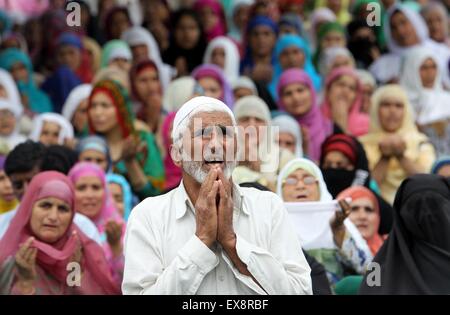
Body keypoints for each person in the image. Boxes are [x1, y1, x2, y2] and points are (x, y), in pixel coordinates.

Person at [122, 96, 312, 295]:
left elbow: (301, 291)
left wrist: (232, 242)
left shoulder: (269, 207)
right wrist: (202, 240)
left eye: (225, 134)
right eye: (203, 134)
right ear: (177, 154)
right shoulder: (148, 216)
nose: (216, 145)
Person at [0, 171, 121, 295]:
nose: (53, 216)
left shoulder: (78, 251)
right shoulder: (12, 257)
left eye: (63, 209)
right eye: (45, 205)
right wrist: (25, 282)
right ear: (29, 208)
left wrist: (75, 270)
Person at [276, 158, 373, 286]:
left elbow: (369, 271)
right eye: (291, 180)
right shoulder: (274, 224)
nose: (300, 186)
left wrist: (338, 230)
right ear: (280, 188)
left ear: (320, 185)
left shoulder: (336, 217)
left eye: (308, 180)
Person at [359, 174, 450, 294]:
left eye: (434, 205)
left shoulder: (378, 270)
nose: (426, 215)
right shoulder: (377, 273)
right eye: (414, 207)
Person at [87, 79, 165, 199]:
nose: (97, 112)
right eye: (93, 106)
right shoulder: (89, 145)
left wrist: (130, 162)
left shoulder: (140, 141)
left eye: (105, 106)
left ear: (121, 108)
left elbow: (155, 193)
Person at [359, 85, 436, 204]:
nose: (392, 111)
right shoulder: (362, 144)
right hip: (376, 209)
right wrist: (384, 157)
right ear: (375, 109)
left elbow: (428, 183)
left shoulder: (421, 142)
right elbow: (364, 188)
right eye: (386, 105)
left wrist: (401, 157)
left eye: (398, 106)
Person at [68, 162, 125, 284]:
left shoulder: (121, 228)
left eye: (96, 187)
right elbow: (70, 283)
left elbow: (130, 282)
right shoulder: (62, 230)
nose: (90, 195)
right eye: (81, 188)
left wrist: (115, 247)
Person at [232, 95, 293, 191]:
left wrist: (259, 169)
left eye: (258, 120)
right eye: (245, 119)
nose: (252, 125)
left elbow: (287, 195)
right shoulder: (224, 156)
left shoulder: (283, 157)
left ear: (267, 124)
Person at [400, 47, 450, 157]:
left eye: (433, 67)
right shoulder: (400, 100)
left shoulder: (447, 98)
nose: (430, 72)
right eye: (424, 68)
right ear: (411, 69)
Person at [277, 68, 333, 163]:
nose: (295, 98)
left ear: (311, 92)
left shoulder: (330, 128)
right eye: (288, 93)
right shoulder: (275, 129)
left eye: (300, 90)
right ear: (281, 99)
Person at [268, 34, 321, 100]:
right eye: (285, 53)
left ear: (305, 55)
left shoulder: (320, 84)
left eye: (296, 52)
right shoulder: (269, 89)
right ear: (278, 58)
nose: (291, 58)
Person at [0, 48, 52, 113]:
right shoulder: (2, 98)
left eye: (21, 68)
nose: (17, 73)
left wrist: (28, 106)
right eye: (11, 70)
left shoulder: (42, 98)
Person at [337, 186, 385, 257]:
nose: (363, 216)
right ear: (339, 214)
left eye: (369, 209)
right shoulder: (326, 253)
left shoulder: (394, 246)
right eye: (354, 209)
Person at [321, 67, 369, 137]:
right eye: (341, 84)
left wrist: (341, 126)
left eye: (352, 88)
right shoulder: (314, 118)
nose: (345, 91)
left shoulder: (366, 124)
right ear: (328, 90)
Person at [162, 9, 207, 76]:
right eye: (181, 28)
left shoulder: (208, 54)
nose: (187, 33)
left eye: (192, 28)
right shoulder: (166, 56)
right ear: (174, 31)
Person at [161, 112, 182, 191]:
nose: (178, 135)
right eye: (172, 129)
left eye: (182, 129)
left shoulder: (199, 173)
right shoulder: (158, 170)